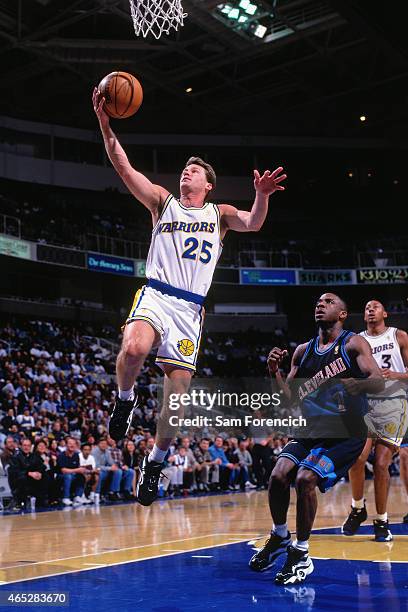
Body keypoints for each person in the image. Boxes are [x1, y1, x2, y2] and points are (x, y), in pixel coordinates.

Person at [92, 87, 286, 506]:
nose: (186, 174)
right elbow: (125, 169)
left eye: (194, 172)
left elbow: (253, 222)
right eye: (184, 170)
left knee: (176, 404)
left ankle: (155, 463)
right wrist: (106, 126)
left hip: (189, 309)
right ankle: (125, 401)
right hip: (157, 293)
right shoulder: (163, 203)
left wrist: (263, 195)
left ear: (208, 185)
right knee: (134, 348)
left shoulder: (220, 215)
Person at [249, 293, 384, 585]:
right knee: (278, 475)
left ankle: (301, 553)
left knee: (305, 479)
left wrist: (359, 386)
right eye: (318, 302)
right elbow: (288, 399)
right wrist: (274, 372)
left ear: (343, 313)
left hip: (347, 433)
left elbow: (378, 379)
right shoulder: (303, 351)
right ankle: (281, 535)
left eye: (329, 302)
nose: (320, 304)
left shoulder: (352, 344)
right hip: (311, 429)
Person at [342, 300, 408, 540]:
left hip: (394, 404)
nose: (370, 309)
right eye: (367, 307)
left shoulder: (399, 336)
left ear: (385, 313)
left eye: (375, 306)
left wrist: (396, 375)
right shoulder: (356, 341)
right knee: (356, 458)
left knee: (381, 464)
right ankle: (357, 508)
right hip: (365, 405)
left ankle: (381, 521)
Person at [8, 439, 47, 509]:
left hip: (33, 481)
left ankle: (43, 502)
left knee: (46, 477)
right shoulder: (15, 457)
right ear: (21, 446)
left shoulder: (34, 456)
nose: (26, 447)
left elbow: (41, 466)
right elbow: (15, 472)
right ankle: (20, 502)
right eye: (24, 445)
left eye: (28, 446)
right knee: (23, 478)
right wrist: (29, 473)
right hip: (18, 482)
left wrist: (39, 473)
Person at [57, 437, 87, 506]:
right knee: (68, 476)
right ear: (66, 445)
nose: (72, 445)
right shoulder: (61, 455)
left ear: (76, 446)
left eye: (74, 444)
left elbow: (77, 467)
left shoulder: (76, 455)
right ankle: (65, 498)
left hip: (73, 474)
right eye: (70, 443)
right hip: (61, 476)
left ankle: (78, 496)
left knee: (81, 475)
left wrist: (82, 470)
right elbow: (63, 470)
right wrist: (77, 470)